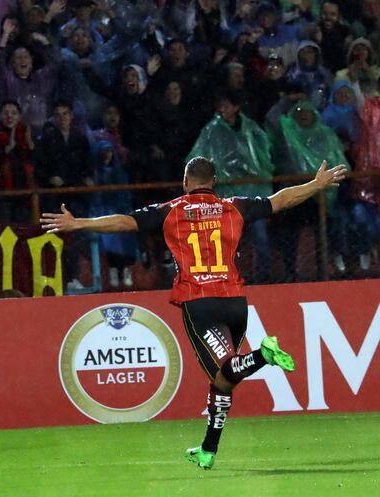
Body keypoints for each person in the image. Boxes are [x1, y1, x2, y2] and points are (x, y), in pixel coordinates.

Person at [41, 156, 347, 469]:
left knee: (227, 369)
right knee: (224, 380)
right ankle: (208, 450)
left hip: (199, 302)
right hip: (234, 301)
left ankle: (263, 355)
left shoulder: (171, 210)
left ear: (186, 182)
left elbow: (125, 222)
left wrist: (78, 223)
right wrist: (316, 184)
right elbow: (279, 201)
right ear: (214, 182)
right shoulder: (235, 206)